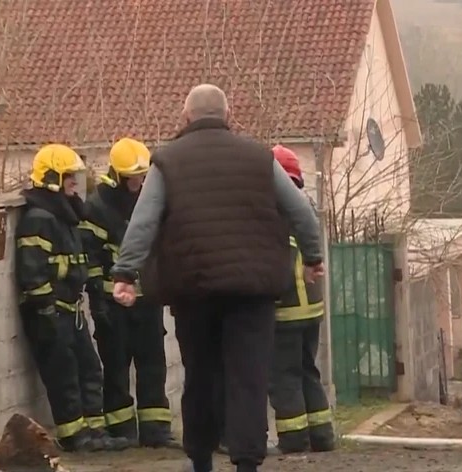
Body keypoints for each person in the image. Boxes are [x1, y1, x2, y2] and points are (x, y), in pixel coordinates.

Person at [108, 84, 324, 472]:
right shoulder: (260, 158)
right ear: (228, 116)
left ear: (186, 117)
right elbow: (300, 210)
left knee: (201, 373)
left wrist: (125, 271)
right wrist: (312, 257)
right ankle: (246, 462)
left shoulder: (168, 161)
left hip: (193, 289)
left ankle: (202, 459)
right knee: (249, 376)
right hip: (253, 291)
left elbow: (144, 220)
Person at [14, 144, 129, 452]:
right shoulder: (39, 219)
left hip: (70, 311)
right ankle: (74, 436)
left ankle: (95, 433)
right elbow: (32, 271)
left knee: (90, 370)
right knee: (64, 375)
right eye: (69, 178)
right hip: (50, 314)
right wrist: (46, 310)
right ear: (52, 178)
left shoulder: (63, 216)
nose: (75, 185)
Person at [79, 138, 177, 448]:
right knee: (116, 366)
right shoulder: (98, 206)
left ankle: (156, 430)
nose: (139, 182)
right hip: (113, 303)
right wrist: (98, 300)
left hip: (147, 300)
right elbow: (91, 257)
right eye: (133, 177)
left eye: (142, 175)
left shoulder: (149, 200)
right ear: (118, 175)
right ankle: (122, 430)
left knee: (153, 364)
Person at [268, 144, 335, 454]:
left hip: (286, 309)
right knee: (309, 370)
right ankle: (322, 436)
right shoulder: (305, 207)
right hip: (312, 309)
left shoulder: (275, 212)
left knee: (285, 375)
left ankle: (294, 439)